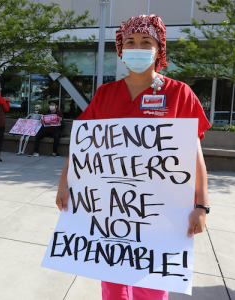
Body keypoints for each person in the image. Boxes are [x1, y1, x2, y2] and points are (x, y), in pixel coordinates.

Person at [55, 14, 211, 300]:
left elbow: (194, 154)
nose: (137, 47)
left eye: (145, 41)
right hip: (110, 209)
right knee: (111, 281)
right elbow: (84, 146)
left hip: (161, 211)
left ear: (159, 47)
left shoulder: (179, 94)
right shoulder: (105, 94)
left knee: (151, 284)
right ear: (121, 48)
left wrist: (202, 205)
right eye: (130, 41)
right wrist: (64, 181)